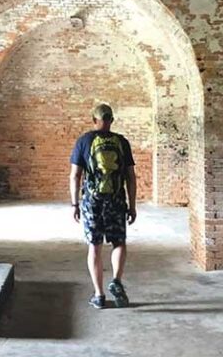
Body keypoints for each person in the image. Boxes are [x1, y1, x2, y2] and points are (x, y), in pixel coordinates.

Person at [69, 103, 137, 309]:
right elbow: (130, 177)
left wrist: (75, 204)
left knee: (95, 247)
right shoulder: (122, 142)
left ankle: (98, 295)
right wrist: (132, 206)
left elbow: (75, 176)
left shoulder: (84, 141)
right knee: (119, 243)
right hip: (116, 200)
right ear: (112, 120)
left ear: (94, 120)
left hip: (92, 201)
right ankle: (116, 280)